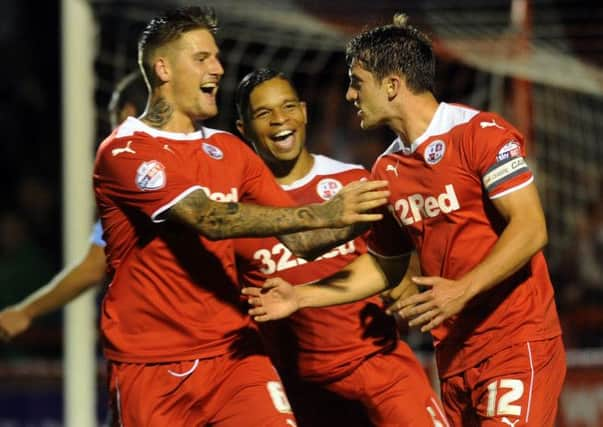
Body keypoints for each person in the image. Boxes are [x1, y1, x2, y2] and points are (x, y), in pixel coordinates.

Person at [243, 13, 565, 427]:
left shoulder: (480, 134)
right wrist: (300, 296)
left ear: (392, 85)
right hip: (454, 355)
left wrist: (462, 289)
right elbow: (383, 263)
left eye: (357, 82)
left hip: (516, 341)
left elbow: (531, 227)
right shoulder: (386, 169)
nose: (348, 95)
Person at [93, 6, 388, 427]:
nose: (217, 67)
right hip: (151, 365)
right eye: (201, 58)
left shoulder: (230, 149)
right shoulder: (125, 151)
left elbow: (302, 240)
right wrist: (324, 211)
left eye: (216, 56)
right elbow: (210, 219)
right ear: (163, 69)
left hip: (234, 355)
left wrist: (376, 216)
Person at [234, 68, 447, 427]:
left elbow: (395, 262)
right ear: (243, 129)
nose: (280, 120)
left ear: (303, 111)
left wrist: (407, 289)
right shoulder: (238, 212)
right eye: (263, 113)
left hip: (381, 369)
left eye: (288, 107)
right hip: (300, 389)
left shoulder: (353, 182)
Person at [0, 71, 147, 342]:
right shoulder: (218, 158)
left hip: (163, 347)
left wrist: (25, 312)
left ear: (127, 113)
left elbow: (93, 267)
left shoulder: (135, 180)